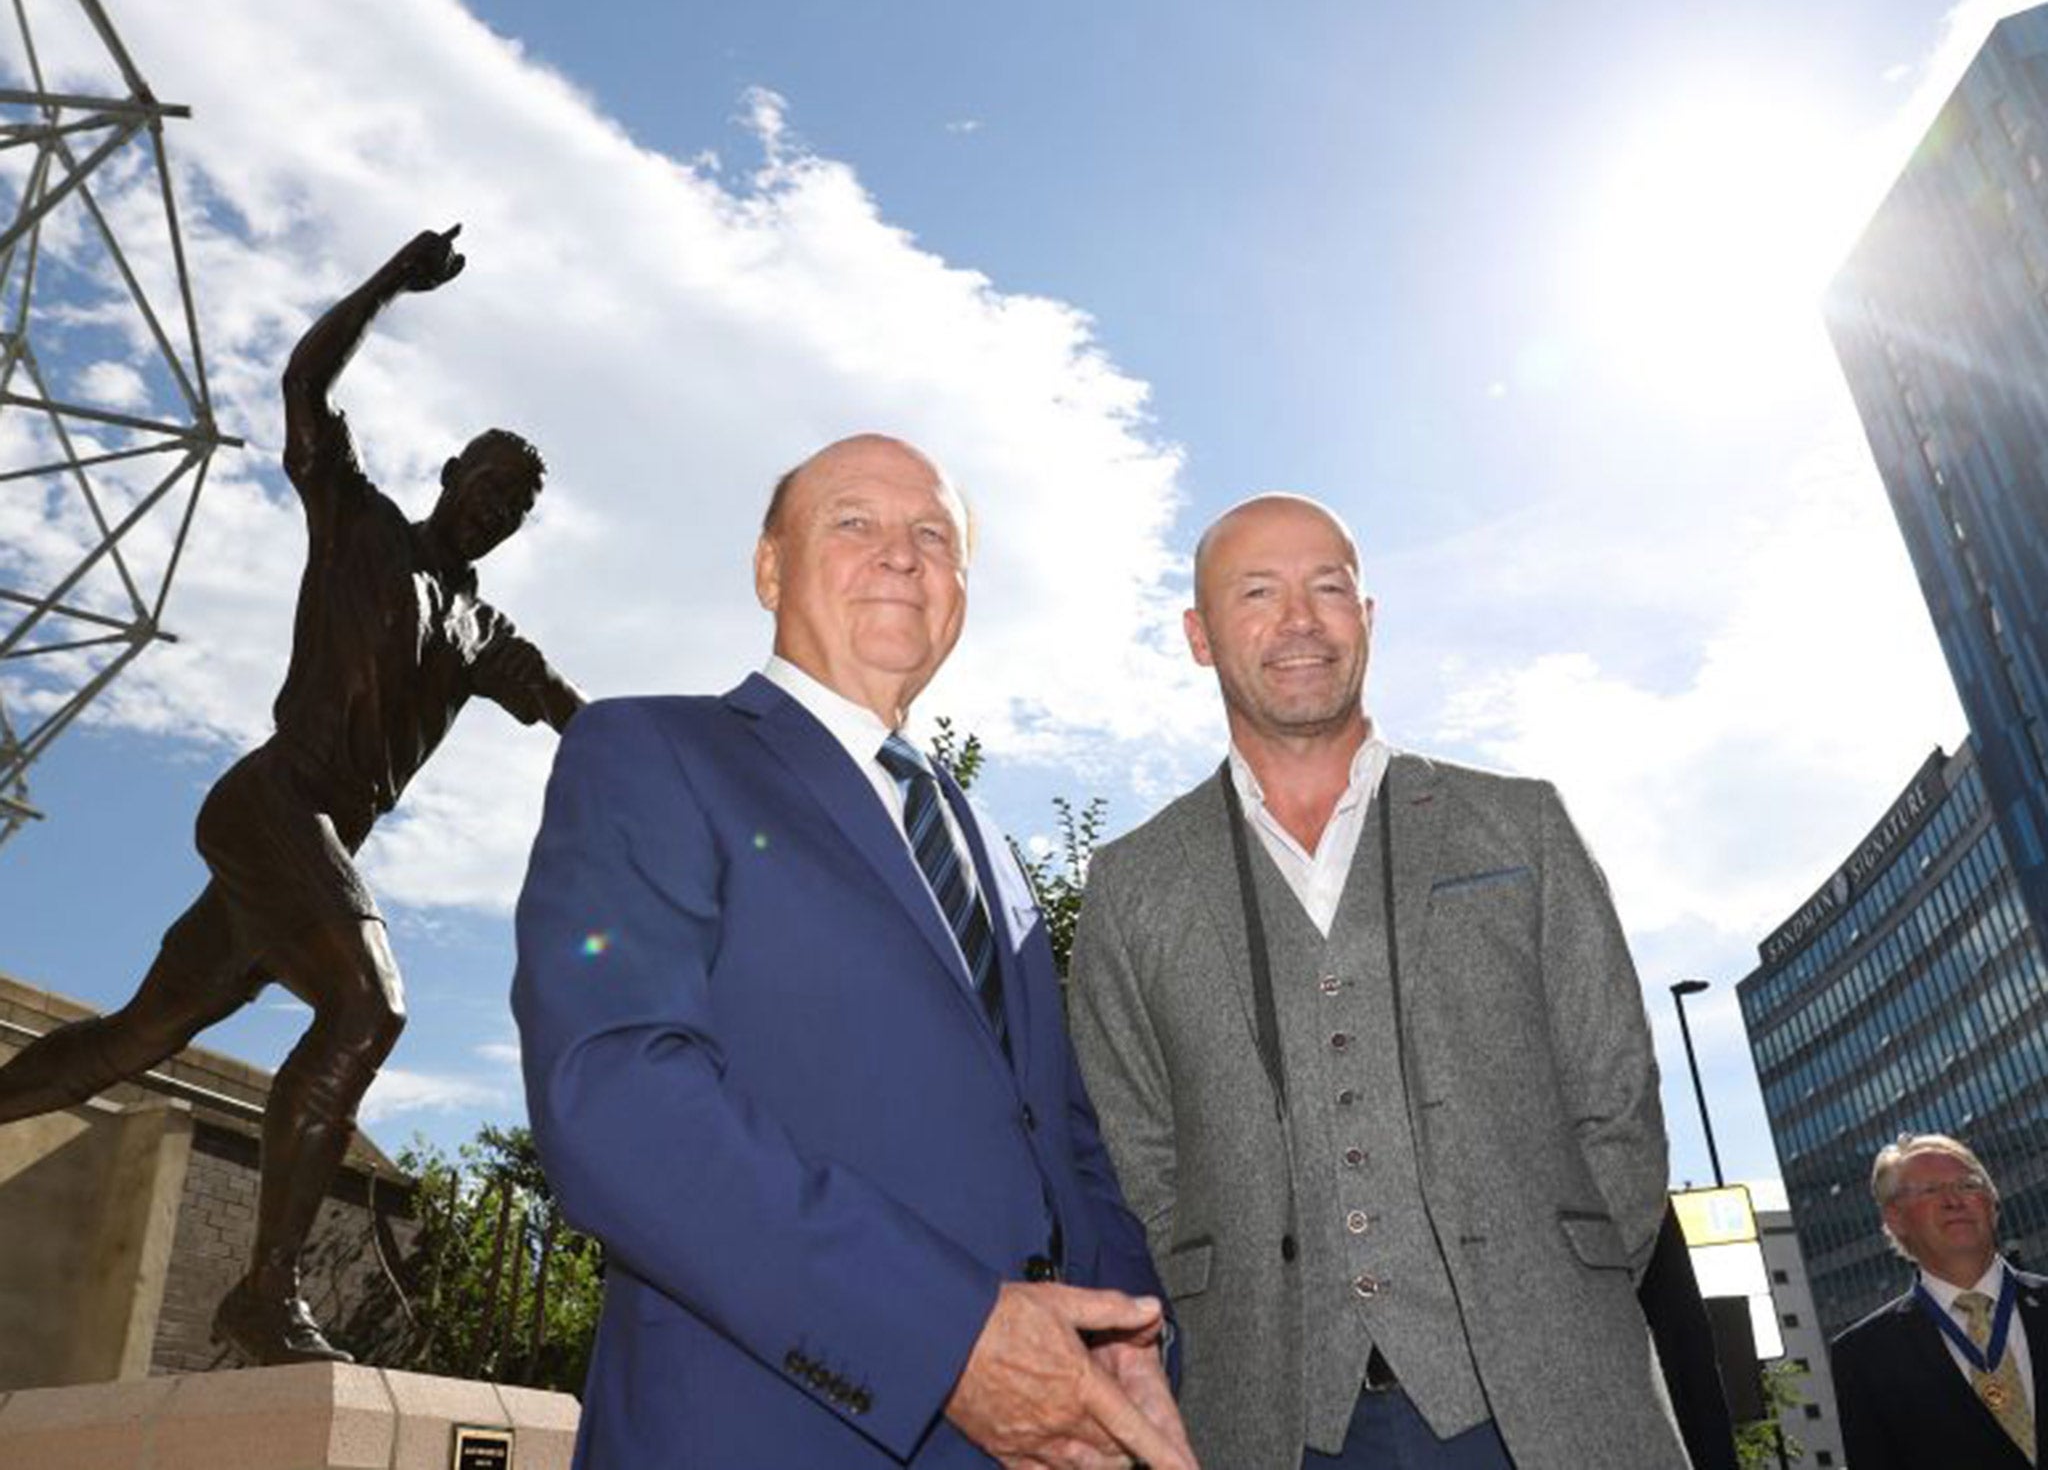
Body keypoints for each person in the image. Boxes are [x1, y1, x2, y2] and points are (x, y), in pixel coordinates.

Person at [512, 433, 1196, 1470]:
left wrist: (1126, 1341)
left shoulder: (988, 852)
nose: (901, 553)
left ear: (961, 592)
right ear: (768, 568)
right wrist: (944, 1339)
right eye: (853, 523)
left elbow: (1060, 1136)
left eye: (933, 534)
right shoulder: (646, 753)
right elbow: (615, 1097)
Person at [0, 225, 583, 1365]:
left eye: (516, 506)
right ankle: (265, 1292)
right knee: (369, 1011)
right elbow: (303, 381)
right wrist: (390, 283)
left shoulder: (482, 633)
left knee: (137, 1037)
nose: (498, 509)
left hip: (310, 844)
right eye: (490, 485)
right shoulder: (357, 522)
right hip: (274, 804)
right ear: (449, 478)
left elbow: (578, 716)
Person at [1067, 493, 1690, 1470]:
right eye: (1257, 593)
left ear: (1368, 615)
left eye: (1328, 588)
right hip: (1272, 1421)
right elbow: (1133, 1149)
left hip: (1549, 1405)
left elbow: (1613, 1100)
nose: (1300, 620)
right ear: (1198, 636)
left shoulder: (1518, 826)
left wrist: (1551, 1292)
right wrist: (1223, 1300)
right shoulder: (1130, 885)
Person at [1831, 1132, 2044, 1469]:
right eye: (1930, 1190)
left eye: (1968, 1185)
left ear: (1992, 1202)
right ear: (1895, 1219)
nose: (1953, 1200)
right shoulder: (1862, 1357)